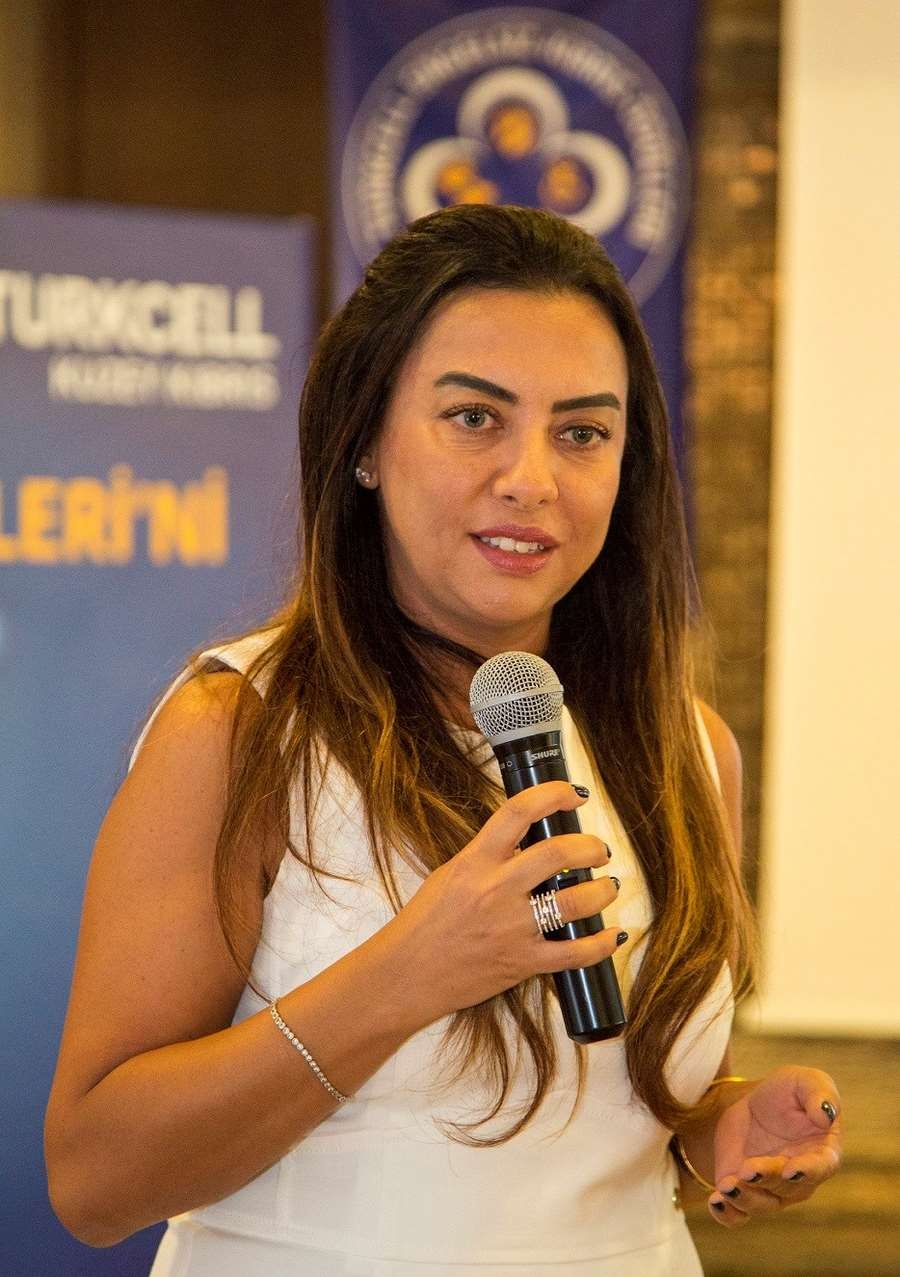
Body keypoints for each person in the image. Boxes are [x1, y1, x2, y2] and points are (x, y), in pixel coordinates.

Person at [45, 204, 842, 1276]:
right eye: (474, 417)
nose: (532, 478)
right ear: (366, 439)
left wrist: (721, 1125)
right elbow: (96, 1180)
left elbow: (613, 1111)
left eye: (582, 432)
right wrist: (410, 972)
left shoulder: (689, 746)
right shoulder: (239, 729)